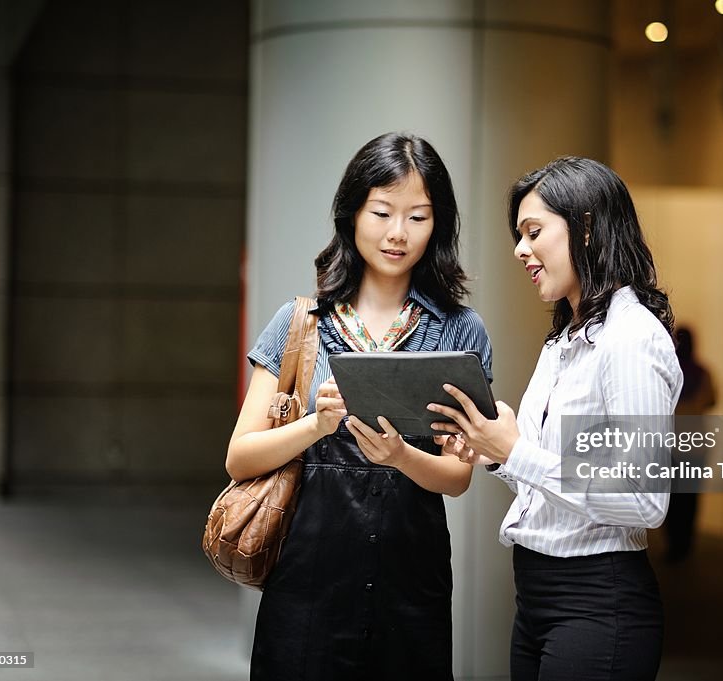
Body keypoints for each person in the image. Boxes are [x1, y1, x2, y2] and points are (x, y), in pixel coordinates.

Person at [226, 132, 492, 681]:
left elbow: (458, 476)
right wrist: (313, 425)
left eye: (418, 217)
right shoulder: (301, 323)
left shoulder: (460, 330)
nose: (398, 233)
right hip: (306, 588)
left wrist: (401, 457)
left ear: (438, 224)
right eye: (382, 212)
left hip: (409, 590)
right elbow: (240, 458)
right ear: (352, 214)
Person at [427, 157, 682, 681]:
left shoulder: (631, 338)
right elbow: (550, 475)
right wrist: (497, 451)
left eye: (534, 231)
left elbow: (644, 498)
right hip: (538, 596)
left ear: (586, 226)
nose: (521, 250)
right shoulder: (565, 339)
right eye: (519, 235)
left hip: (598, 601)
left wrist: (517, 452)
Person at [664, 326, 717, 562]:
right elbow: (713, 400)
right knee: (690, 496)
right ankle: (685, 544)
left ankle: (673, 544)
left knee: (671, 495)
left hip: (670, 442)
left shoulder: (669, 370)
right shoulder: (703, 373)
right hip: (695, 444)